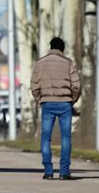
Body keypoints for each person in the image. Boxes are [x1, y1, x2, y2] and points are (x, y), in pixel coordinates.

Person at [30, 37, 81, 180]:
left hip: (47, 103)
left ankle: (48, 171)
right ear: (62, 49)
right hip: (65, 103)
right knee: (66, 137)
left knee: (46, 137)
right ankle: (64, 172)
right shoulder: (69, 63)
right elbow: (76, 85)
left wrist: (40, 99)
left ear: (50, 47)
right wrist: (72, 100)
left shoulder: (40, 63)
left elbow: (34, 85)